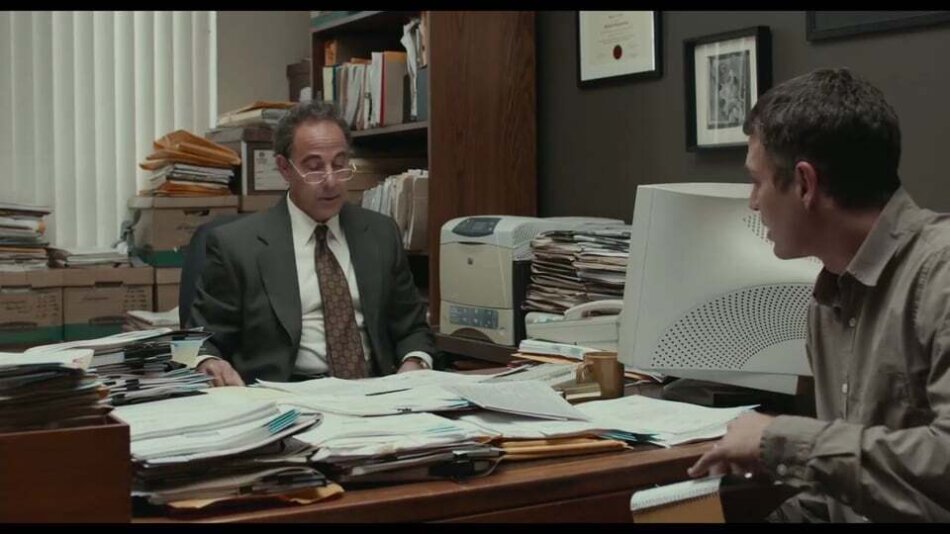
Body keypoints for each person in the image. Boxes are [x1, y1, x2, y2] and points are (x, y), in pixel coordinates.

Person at [687, 68, 950, 522]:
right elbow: (841, 498)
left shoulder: (939, 275)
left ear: (805, 184)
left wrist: (781, 440)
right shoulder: (828, 300)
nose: (753, 202)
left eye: (757, 181)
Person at [188, 100, 437, 386]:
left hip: (374, 393)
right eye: (315, 168)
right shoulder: (237, 246)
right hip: (284, 395)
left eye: (340, 164)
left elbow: (413, 328)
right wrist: (209, 362)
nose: (331, 181)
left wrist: (414, 362)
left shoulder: (380, 234)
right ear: (284, 168)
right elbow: (199, 340)